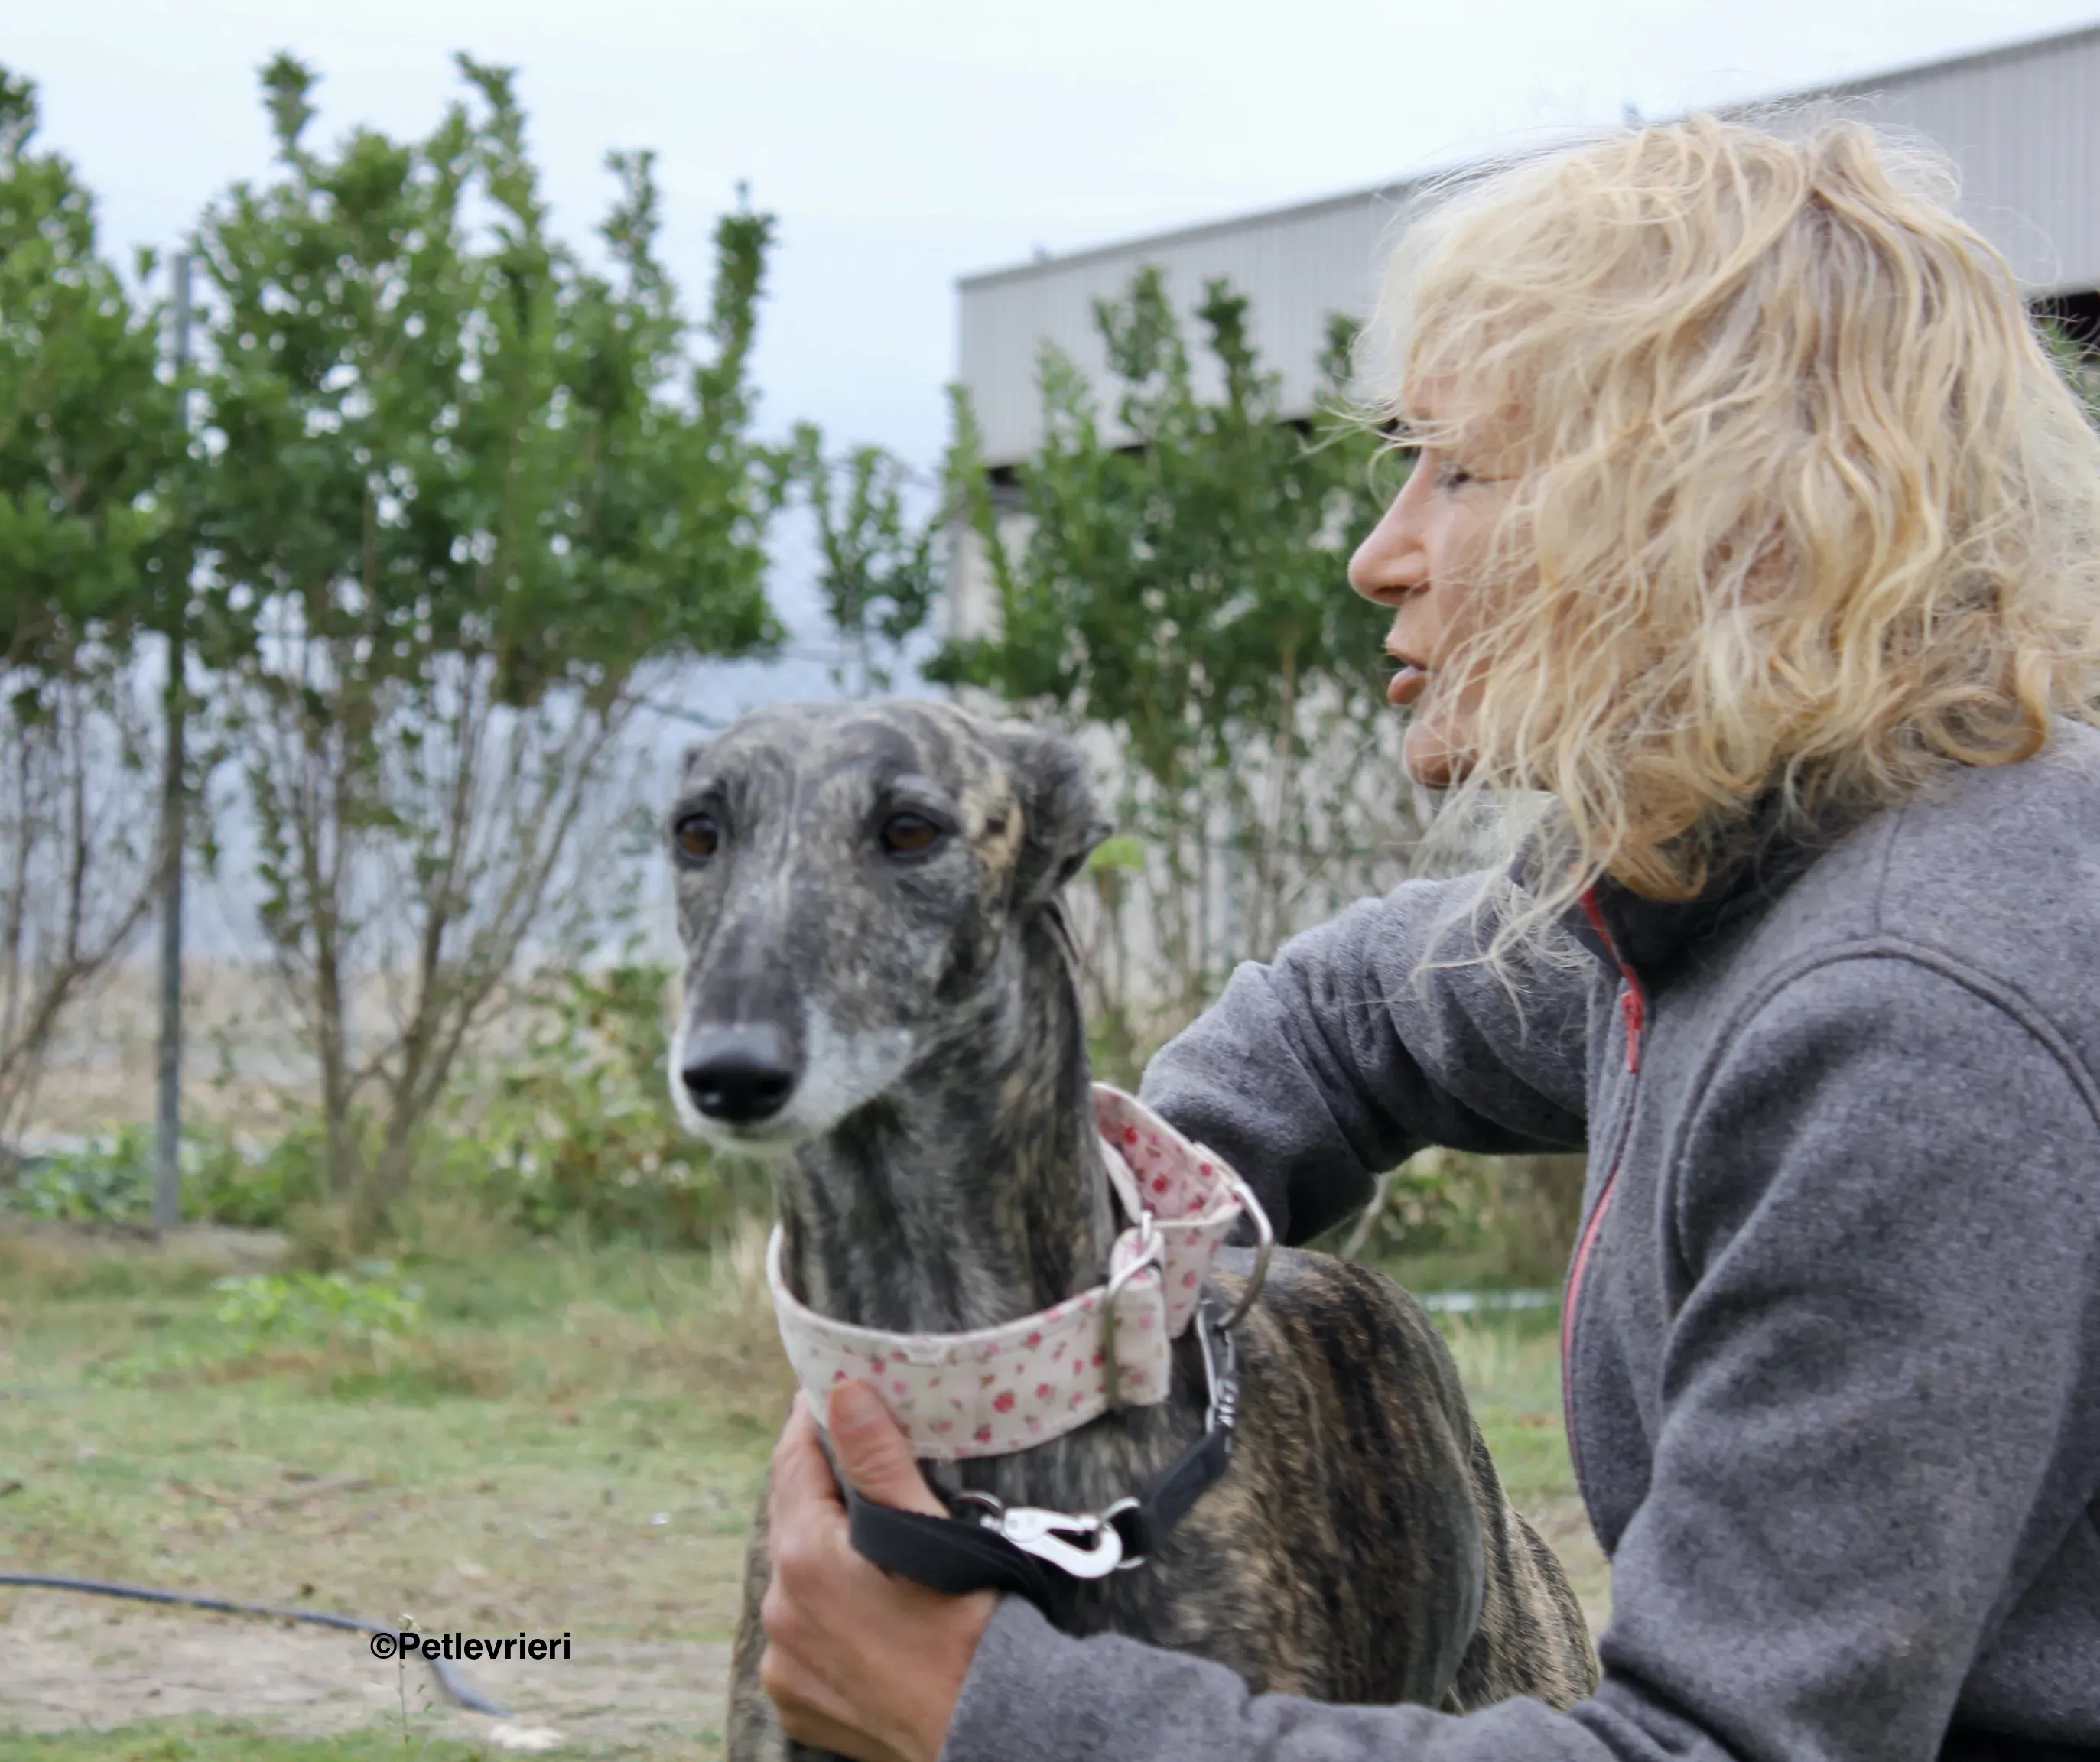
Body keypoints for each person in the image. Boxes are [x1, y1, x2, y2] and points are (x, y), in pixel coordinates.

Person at [755, 112, 2100, 1762]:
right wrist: (1079, 1300)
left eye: (1460, 472)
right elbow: (1352, 1017)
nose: (1376, 553)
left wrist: (986, 1710)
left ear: (1714, 516)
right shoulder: (1765, 875)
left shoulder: (1904, 1017)